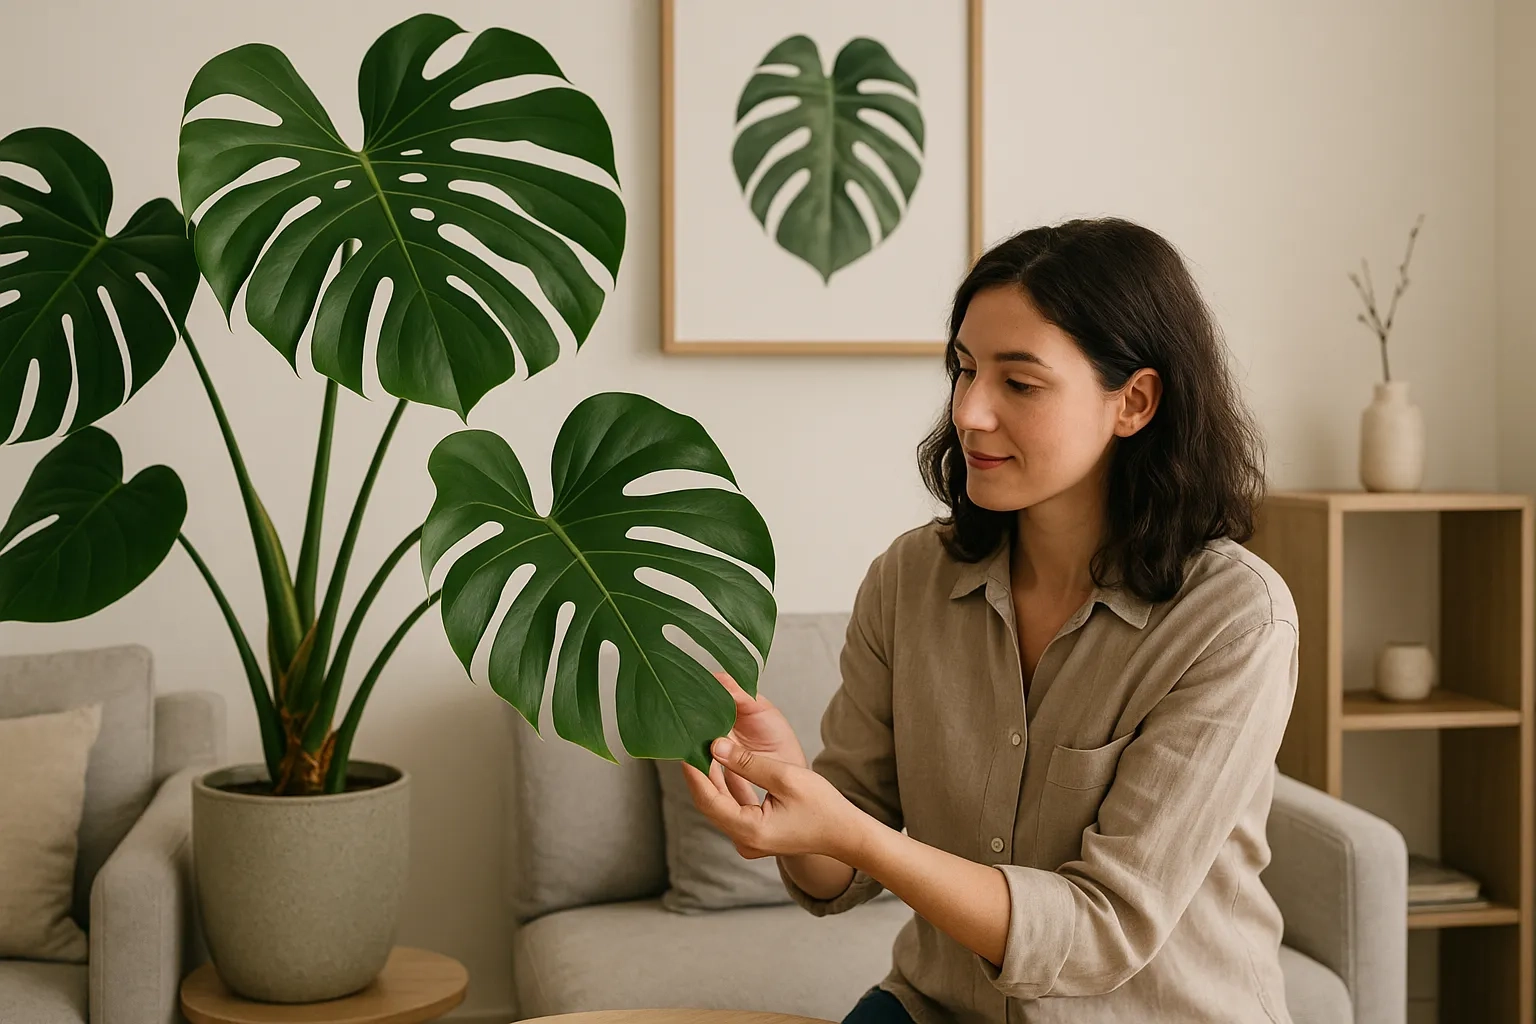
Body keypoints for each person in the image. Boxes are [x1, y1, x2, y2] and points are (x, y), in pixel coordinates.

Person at [683, 217, 1298, 1024]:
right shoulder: (910, 579)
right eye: (964, 370)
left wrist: (859, 837)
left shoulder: (1234, 620)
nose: (970, 411)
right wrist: (790, 806)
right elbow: (836, 876)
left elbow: (1102, 930)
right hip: (937, 1007)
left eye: (1019, 382)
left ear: (1135, 402)